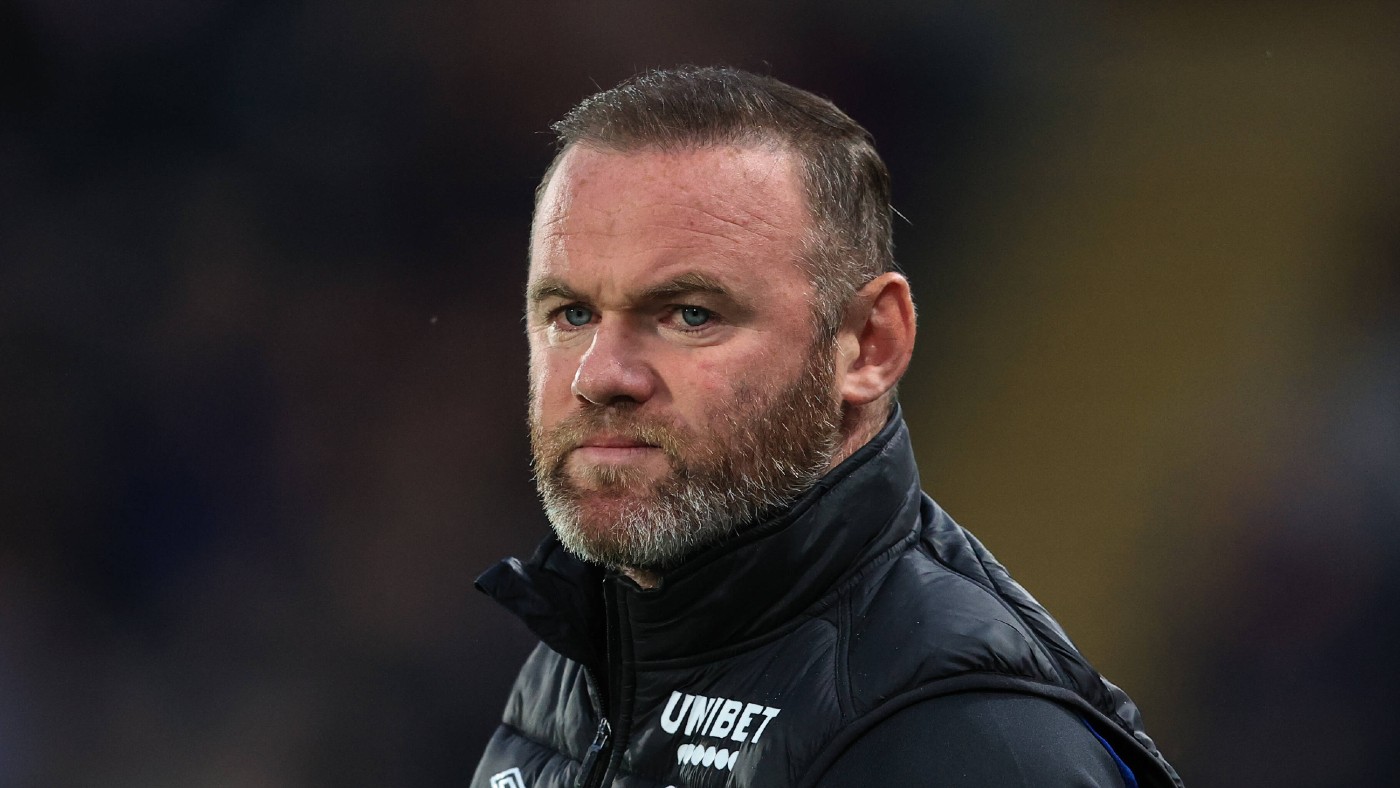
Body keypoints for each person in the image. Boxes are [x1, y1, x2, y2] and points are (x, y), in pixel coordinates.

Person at [472, 66, 1182, 788]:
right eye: (572, 314)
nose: (599, 376)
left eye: (690, 314)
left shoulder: (967, 740)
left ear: (870, 344)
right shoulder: (580, 659)